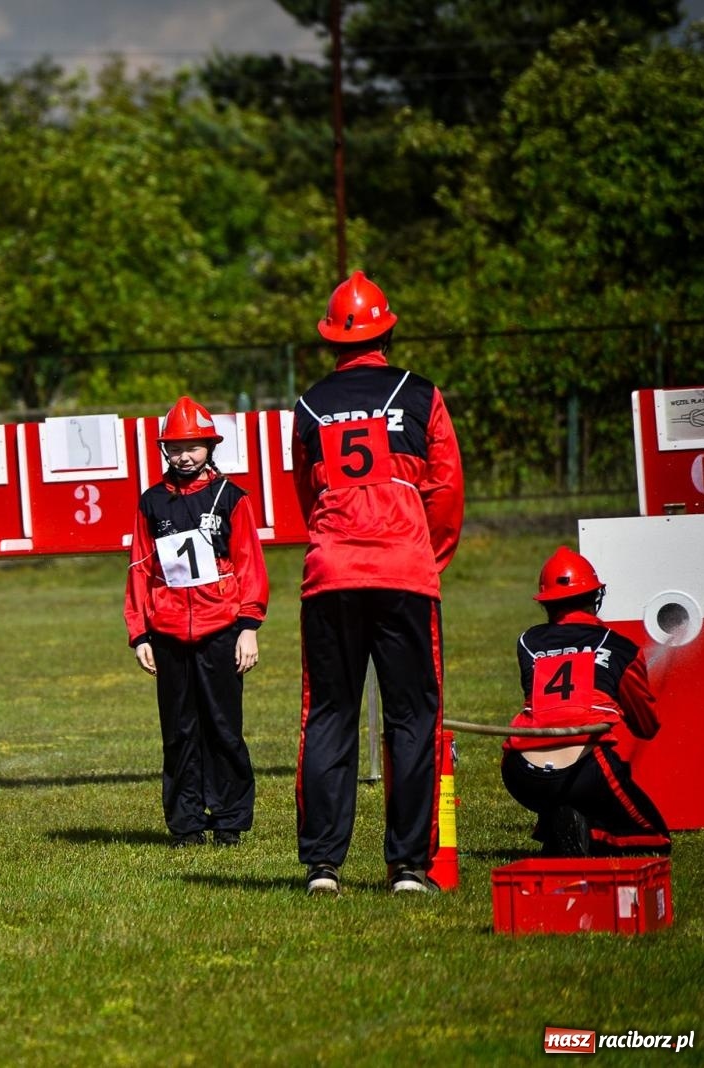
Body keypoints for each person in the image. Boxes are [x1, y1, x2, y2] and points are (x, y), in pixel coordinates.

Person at [291, 271, 464, 895]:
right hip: (405, 573)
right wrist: (426, 557)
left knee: (329, 714)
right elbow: (445, 489)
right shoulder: (421, 395)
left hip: (331, 574)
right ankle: (409, 867)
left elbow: (306, 495)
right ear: (387, 332)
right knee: (414, 716)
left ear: (331, 340)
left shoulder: (309, 406)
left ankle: (323, 866)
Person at [125, 397, 267, 847]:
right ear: (164, 449)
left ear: (210, 447)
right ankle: (186, 823)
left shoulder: (231, 498)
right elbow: (140, 567)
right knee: (179, 732)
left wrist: (248, 626)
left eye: (193, 447)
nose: (184, 456)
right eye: (175, 448)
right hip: (167, 634)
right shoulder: (152, 502)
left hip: (221, 629)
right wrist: (140, 633)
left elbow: (249, 563)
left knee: (223, 728)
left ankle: (229, 821)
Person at [501, 547, 670, 856]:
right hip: (584, 770)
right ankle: (589, 832)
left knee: (568, 797)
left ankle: (562, 823)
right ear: (595, 597)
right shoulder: (621, 648)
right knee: (655, 839)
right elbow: (646, 726)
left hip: (521, 772)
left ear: (546, 603)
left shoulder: (527, 642)